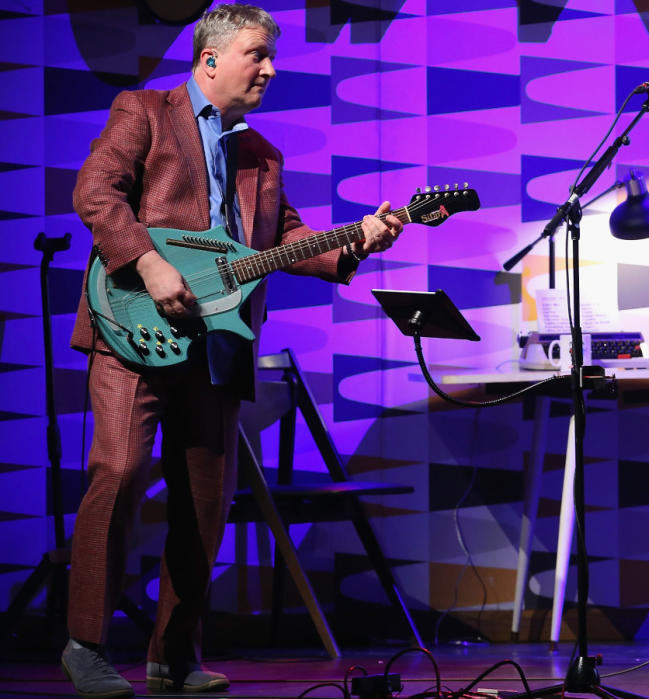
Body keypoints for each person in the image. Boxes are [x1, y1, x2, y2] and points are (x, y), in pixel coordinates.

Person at [61, 4, 404, 697]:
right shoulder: (145, 111)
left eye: (270, 57)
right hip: (134, 327)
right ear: (210, 58)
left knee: (205, 499)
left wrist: (361, 237)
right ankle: (84, 644)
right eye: (258, 55)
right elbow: (96, 194)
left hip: (217, 341)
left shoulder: (261, 154)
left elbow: (288, 240)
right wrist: (149, 265)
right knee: (120, 470)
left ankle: (173, 654)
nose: (271, 69)